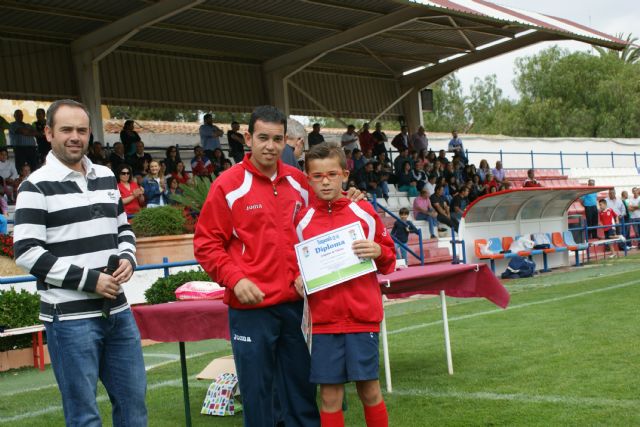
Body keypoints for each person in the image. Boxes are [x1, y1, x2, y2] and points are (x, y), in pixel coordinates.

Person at [13, 99, 147, 426]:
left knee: (134, 406)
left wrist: (128, 257)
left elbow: (123, 228)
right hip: (69, 320)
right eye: (66, 130)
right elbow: (27, 251)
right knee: (84, 416)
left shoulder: (104, 176)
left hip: (117, 312)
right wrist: (90, 280)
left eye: (81, 130)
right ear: (48, 133)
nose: (75, 136)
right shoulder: (34, 186)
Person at [193, 105, 322, 426]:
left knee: (302, 394)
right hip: (250, 310)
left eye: (277, 139)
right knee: (258, 397)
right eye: (263, 137)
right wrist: (235, 280)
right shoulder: (227, 185)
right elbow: (207, 244)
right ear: (249, 137)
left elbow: (316, 229)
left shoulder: (299, 183)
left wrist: (304, 275)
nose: (270, 146)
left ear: (286, 141)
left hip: (294, 308)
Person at [294, 143, 394, 427]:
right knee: (329, 397)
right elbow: (296, 265)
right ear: (308, 177)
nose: (325, 181)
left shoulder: (363, 212)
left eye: (332, 174)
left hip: (362, 319)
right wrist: (298, 278)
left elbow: (388, 259)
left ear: (344, 175)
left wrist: (379, 251)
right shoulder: (302, 222)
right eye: (317, 175)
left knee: (370, 390)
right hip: (324, 322)